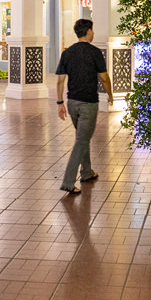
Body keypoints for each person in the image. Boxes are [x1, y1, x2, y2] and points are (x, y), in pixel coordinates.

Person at [55, 18, 113, 195]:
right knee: (81, 140)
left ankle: (87, 172)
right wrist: (110, 94)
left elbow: (60, 80)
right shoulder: (94, 52)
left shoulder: (67, 53)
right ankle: (67, 181)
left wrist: (60, 103)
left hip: (72, 103)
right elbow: (104, 77)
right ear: (88, 32)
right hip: (89, 103)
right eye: (92, 30)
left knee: (83, 136)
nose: (93, 33)